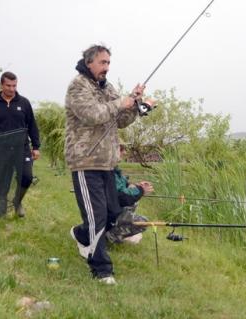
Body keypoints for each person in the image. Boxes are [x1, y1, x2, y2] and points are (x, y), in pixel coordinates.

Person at [65, 44, 155, 285]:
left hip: (107, 162)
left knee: (110, 214)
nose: (107, 67)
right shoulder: (78, 86)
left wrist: (134, 103)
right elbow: (92, 114)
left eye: (108, 63)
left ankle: (81, 234)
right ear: (89, 62)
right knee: (96, 216)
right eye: (103, 62)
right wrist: (120, 103)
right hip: (85, 161)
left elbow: (122, 120)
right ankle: (102, 269)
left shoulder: (108, 87)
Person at [0, 71, 41, 218]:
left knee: (27, 177)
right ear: (1, 85)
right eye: (8, 85)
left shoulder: (24, 103)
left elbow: (32, 125)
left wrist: (36, 147)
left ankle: (17, 201)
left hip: (22, 148)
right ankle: (1, 210)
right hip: (1, 149)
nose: (12, 89)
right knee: (1, 182)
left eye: (14, 85)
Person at [105, 143, 154, 244]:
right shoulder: (108, 171)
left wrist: (136, 185)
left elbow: (124, 186)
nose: (124, 152)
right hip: (109, 213)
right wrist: (140, 190)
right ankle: (110, 236)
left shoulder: (114, 169)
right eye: (121, 149)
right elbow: (122, 197)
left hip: (114, 210)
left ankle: (118, 231)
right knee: (143, 222)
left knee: (134, 203)